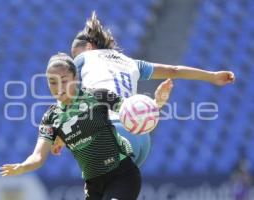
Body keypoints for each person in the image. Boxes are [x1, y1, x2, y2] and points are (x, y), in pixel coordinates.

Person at [51, 11, 236, 167]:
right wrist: (212, 76)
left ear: (89, 47)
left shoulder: (85, 58)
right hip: (140, 137)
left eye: (76, 55)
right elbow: (174, 70)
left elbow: (66, 92)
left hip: (110, 131)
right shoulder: (131, 62)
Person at [0, 53, 173, 200]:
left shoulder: (97, 95)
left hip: (122, 175)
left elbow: (134, 113)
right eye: (52, 82)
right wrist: (23, 166)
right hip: (94, 187)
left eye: (64, 80)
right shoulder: (50, 118)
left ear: (75, 78)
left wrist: (157, 102)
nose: (58, 87)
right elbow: (37, 157)